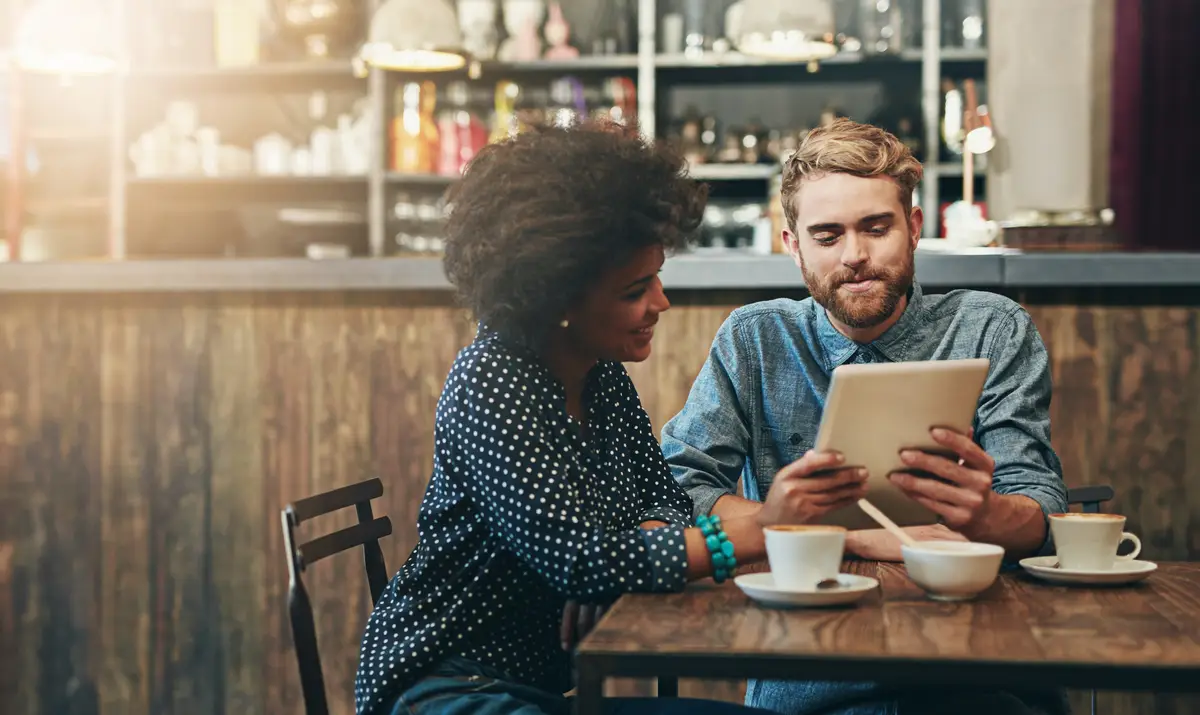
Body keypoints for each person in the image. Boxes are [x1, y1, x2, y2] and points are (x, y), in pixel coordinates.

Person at [354, 119, 872, 715]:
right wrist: (761, 526)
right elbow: (582, 563)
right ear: (558, 298)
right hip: (446, 687)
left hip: (541, 690)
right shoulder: (492, 382)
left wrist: (625, 564)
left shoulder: (599, 376)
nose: (660, 303)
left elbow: (663, 504)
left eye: (656, 277)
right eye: (633, 290)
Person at [661, 118, 1071, 715]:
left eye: (876, 229)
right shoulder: (755, 338)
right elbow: (682, 486)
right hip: (806, 674)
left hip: (977, 670)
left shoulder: (991, 327)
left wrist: (986, 514)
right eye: (827, 236)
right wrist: (864, 537)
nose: (854, 256)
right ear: (792, 245)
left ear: (913, 228)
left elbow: (1040, 507)